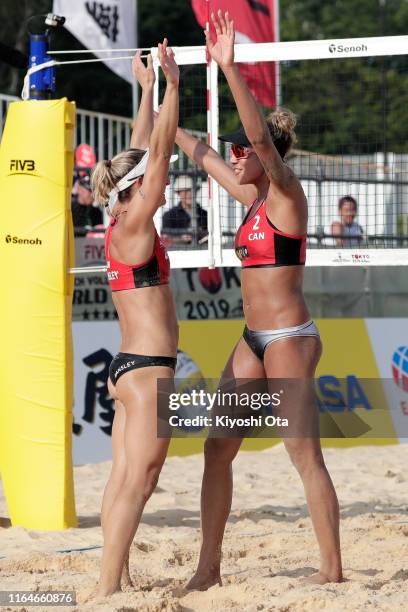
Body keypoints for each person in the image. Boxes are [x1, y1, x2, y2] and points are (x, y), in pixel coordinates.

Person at [174, 11, 342, 588]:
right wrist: (162, 92)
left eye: (240, 150)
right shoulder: (246, 195)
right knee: (217, 449)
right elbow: (194, 149)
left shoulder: (285, 195)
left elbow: (261, 141)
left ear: (261, 153)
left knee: (304, 458)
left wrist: (229, 69)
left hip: (290, 339)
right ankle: (208, 569)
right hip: (252, 338)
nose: (233, 155)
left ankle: (332, 571)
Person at [90, 40, 179, 598]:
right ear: (136, 187)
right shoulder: (135, 223)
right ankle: (105, 589)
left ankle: (114, 578)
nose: (161, 184)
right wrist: (173, 85)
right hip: (147, 372)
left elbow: (140, 149)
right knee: (137, 482)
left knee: (125, 480)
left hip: (131, 367)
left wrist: (146, 92)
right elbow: (161, 152)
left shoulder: (121, 216)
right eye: (150, 181)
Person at [162, 174, 208, 243]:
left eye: (192, 190)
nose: (190, 193)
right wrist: (180, 239)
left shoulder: (204, 214)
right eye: (186, 190)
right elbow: (165, 238)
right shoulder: (169, 216)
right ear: (178, 193)